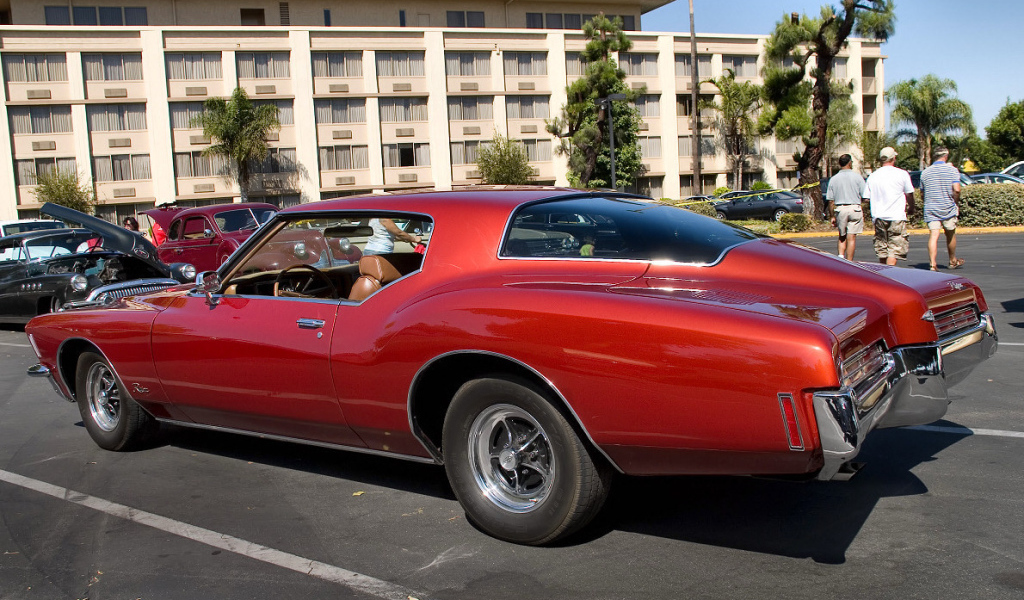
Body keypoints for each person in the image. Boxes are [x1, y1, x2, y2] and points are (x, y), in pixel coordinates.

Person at [863, 146, 915, 266]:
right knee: (894, 248)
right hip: (896, 215)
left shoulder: (873, 176)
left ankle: (883, 274)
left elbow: (866, 198)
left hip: (879, 216)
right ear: (893, 158)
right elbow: (909, 194)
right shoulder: (902, 174)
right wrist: (911, 208)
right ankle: (889, 273)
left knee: (882, 248)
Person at [920, 146, 964, 271]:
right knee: (950, 234)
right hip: (947, 207)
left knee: (934, 235)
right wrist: (956, 201)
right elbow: (956, 189)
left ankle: (933, 264)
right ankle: (952, 260)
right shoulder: (952, 170)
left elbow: (922, 193)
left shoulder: (925, 172)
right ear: (946, 156)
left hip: (931, 208)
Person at [825, 153, 865, 260]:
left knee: (842, 236)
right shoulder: (857, 177)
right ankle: (850, 262)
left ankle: (841, 258)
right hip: (854, 208)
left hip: (841, 208)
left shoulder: (834, 179)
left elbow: (830, 200)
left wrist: (832, 216)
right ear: (850, 162)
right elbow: (865, 195)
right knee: (851, 237)